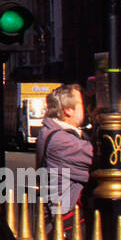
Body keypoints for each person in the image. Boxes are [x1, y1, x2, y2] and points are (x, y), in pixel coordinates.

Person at [35, 83, 94, 222]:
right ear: (68, 110)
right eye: (82, 103)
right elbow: (101, 159)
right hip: (67, 226)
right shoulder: (62, 141)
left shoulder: (51, 131)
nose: (86, 107)